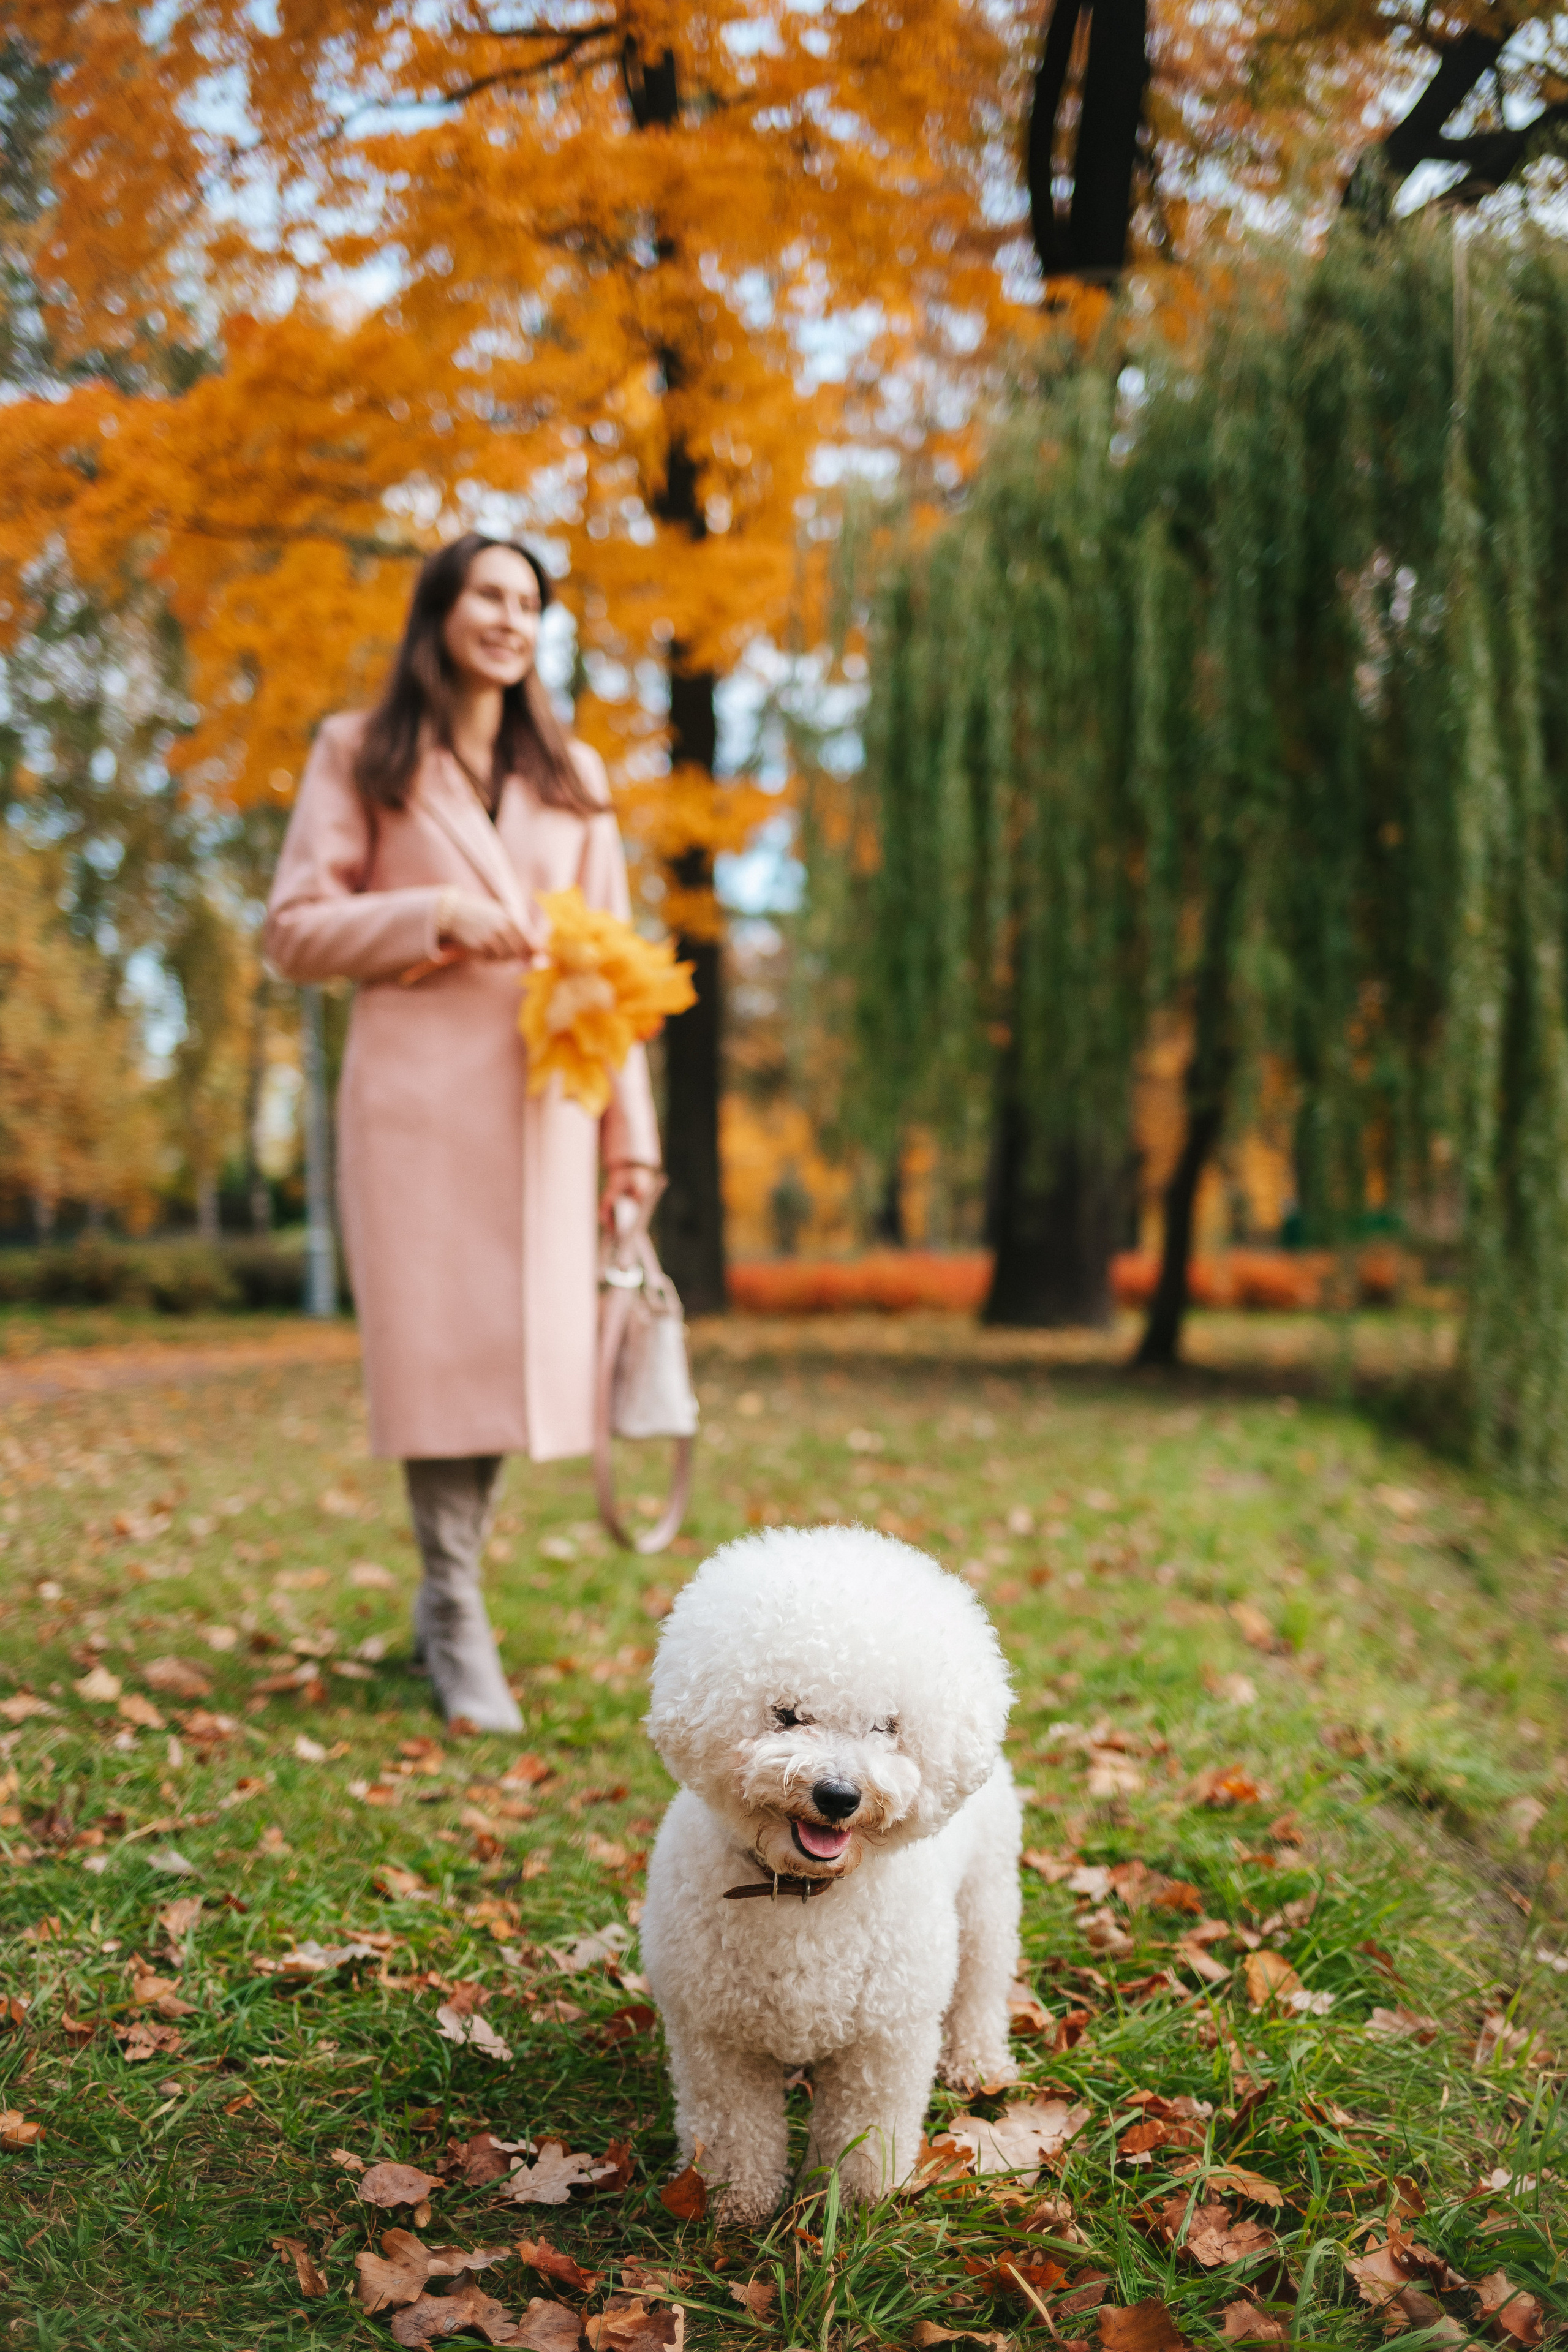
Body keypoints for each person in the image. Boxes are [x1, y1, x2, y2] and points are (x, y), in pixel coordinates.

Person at [263, 535, 662, 1732]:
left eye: (530, 603)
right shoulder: (361, 753)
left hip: (549, 1104)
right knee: (442, 1356)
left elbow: (619, 967)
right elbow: (293, 930)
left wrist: (630, 1143)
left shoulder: (575, 776)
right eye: (488, 594)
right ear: (438, 609)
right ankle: (452, 1606)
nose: (510, 617)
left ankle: (451, 1592)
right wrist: (430, 913)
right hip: (418, 1110)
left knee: (508, 1360)